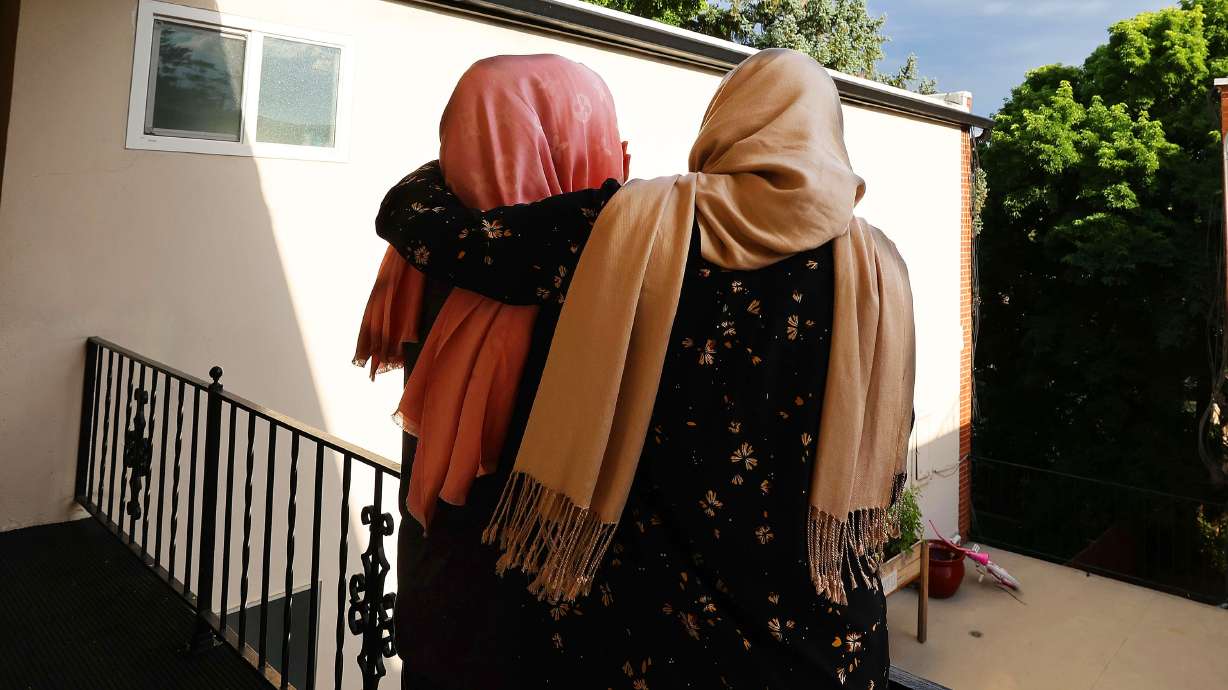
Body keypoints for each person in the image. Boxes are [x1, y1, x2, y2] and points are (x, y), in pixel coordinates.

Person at [378, 48, 915, 690]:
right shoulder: (883, 270)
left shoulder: (636, 224)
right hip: (824, 644)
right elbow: (889, 455)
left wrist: (443, 165)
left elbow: (446, 240)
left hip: (664, 636)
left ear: (725, 123)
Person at [358, 55, 628, 689]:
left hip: (439, 590)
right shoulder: (607, 258)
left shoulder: (431, 243)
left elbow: (405, 198)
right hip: (539, 611)